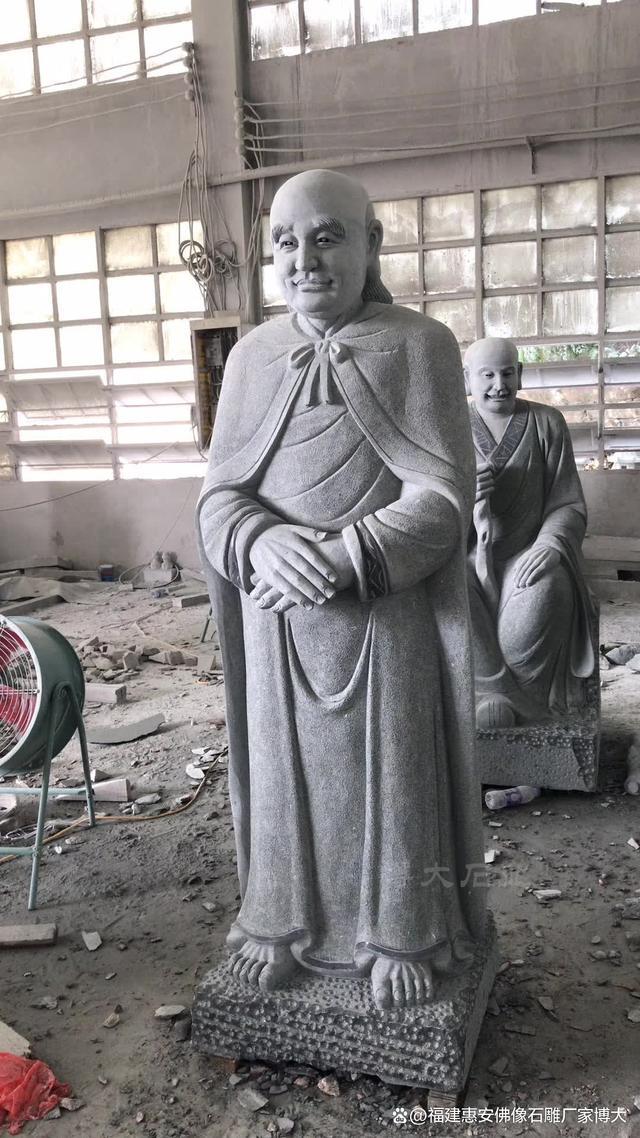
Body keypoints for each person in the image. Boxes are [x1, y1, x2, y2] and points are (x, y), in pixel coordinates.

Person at [197, 169, 487, 1011]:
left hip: (384, 613)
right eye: (286, 242)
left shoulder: (420, 345)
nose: (305, 259)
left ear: (372, 243)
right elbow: (219, 496)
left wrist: (353, 552)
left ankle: (403, 933)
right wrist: (260, 539)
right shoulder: (252, 357)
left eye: (327, 237)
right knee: (282, 777)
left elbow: (444, 496)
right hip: (278, 619)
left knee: (394, 776)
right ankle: (278, 923)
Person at [463, 337, 596, 728]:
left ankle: (525, 698)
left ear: (520, 374)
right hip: (466, 557)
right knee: (446, 592)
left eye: (507, 373)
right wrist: (464, 498)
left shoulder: (546, 423)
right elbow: (425, 503)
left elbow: (568, 503)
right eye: (487, 375)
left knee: (544, 592)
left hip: (528, 552)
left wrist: (550, 544)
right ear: (467, 379)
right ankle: (492, 695)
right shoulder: (450, 428)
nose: (499, 385)